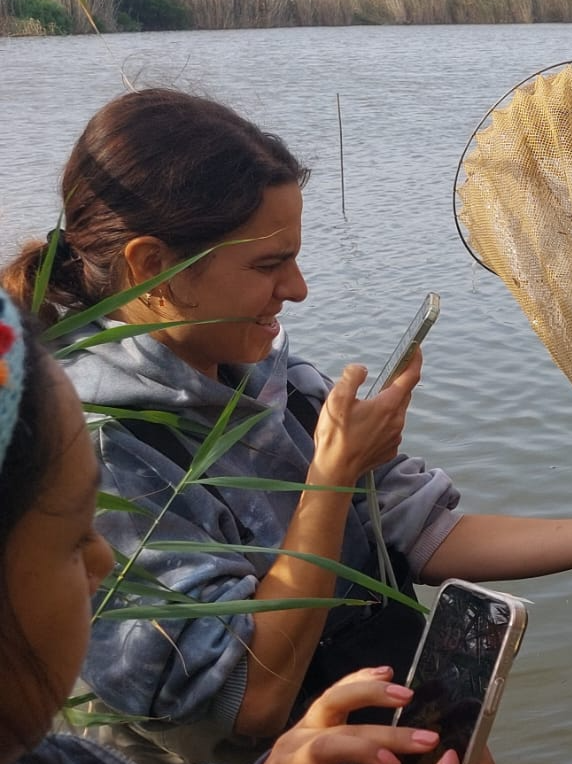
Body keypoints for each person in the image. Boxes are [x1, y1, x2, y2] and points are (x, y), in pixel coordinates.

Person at [0, 88, 572, 764]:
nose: (299, 288)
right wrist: (332, 479)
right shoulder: (96, 447)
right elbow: (245, 705)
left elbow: (426, 530)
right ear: (152, 266)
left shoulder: (272, 380)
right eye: (269, 264)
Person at [0, 290, 469, 764]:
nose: (104, 561)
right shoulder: (118, 449)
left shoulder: (61, 755)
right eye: (76, 539)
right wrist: (335, 473)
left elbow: (414, 521)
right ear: (154, 274)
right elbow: (250, 696)